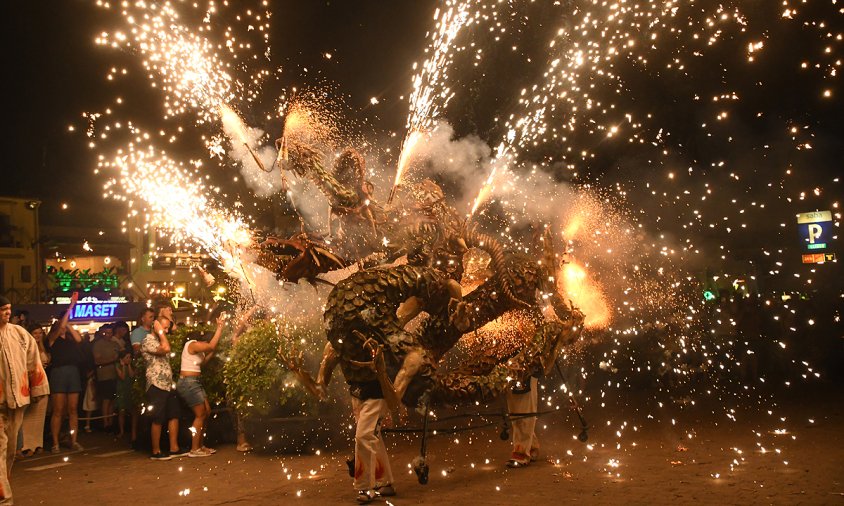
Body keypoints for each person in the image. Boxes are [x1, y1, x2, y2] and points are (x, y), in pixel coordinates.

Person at [0, 295, 49, 504]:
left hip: (18, 400)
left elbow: (33, 361)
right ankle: (5, 499)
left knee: (9, 451)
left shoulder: (20, 334)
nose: (7, 313)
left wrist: (37, 390)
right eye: (3, 310)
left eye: (8, 309)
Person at [176, 314, 227, 457]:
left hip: (195, 382)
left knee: (207, 412)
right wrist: (220, 327)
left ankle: (201, 445)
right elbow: (210, 346)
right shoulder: (192, 344)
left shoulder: (195, 352)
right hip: (189, 382)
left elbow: (203, 362)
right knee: (200, 414)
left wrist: (211, 352)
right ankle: (194, 449)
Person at [141, 304, 187, 461]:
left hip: (168, 383)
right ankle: (156, 451)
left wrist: (165, 323)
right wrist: (160, 330)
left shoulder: (160, 337)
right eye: (164, 328)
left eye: (167, 329)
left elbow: (172, 333)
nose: (167, 331)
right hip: (156, 384)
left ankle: (174, 448)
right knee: (158, 418)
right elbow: (166, 348)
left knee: (174, 414)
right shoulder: (148, 340)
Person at [45, 297, 85, 453]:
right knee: (58, 410)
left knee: (73, 409)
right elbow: (60, 326)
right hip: (59, 372)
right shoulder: (52, 339)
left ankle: (73, 440)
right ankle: (55, 442)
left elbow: (79, 339)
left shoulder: (69, 338)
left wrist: (68, 324)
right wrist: (71, 306)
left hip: (72, 372)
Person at [19, 324, 50, 457]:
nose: (37, 335)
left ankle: (37, 444)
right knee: (28, 417)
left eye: (40, 333)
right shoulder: (26, 348)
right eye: (35, 333)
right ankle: (26, 446)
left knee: (39, 417)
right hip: (31, 384)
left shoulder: (43, 347)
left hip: (43, 382)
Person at [92, 324, 120, 432]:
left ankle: (111, 421)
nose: (108, 335)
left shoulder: (114, 344)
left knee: (112, 399)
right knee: (106, 399)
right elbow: (97, 360)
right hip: (104, 375)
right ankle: (105, 422)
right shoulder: (98, 345)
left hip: (114, 374)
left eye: (110, 333)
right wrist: (112, 360)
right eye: (106, 333)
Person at [114, 350, 135, 440]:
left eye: (130, 357)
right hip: (121, 390)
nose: (129, 359)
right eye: (127, 357)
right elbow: (122, 377)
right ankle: (121, 431)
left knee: (132, 410)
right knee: (121, 411)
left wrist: (129, 365)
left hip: (130, 389)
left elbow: (131, 375)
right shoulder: (117, 366)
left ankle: (132, 431)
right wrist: (122, 366)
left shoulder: (131, 365)